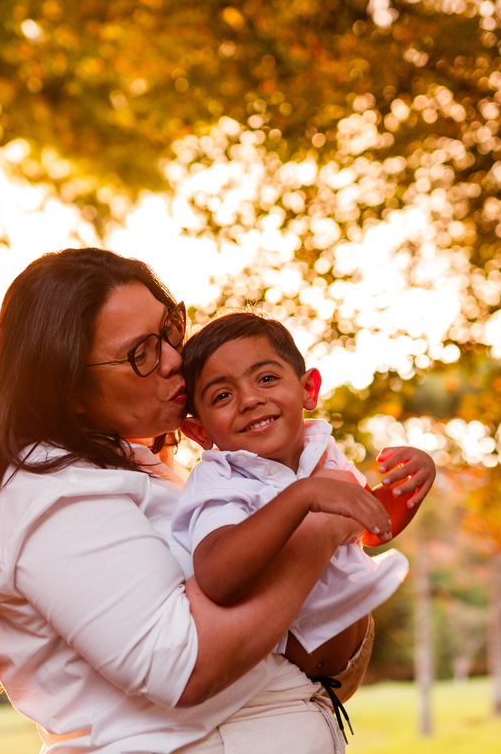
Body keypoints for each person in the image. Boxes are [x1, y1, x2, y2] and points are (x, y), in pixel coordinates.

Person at [0, 248, 433, 754]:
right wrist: (323, 520)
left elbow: (290, 638)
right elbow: (182, 665)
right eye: (141, 353)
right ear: (70, 390)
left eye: (169, 331)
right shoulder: (55, 497)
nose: (175, 359)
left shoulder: (132, 467)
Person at [172, 311, 434, 733]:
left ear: (308, 388)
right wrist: (303, 497)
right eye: (222, 396)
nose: (250, 399)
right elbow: (218, 576)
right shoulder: (220, 480)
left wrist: (411, 484)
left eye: (267, 379)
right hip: (273, 688)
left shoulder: (323, 450)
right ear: (200, 433)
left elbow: (370, 528)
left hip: (335, 680)